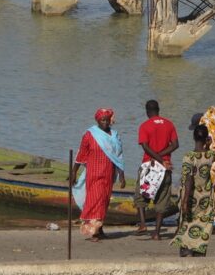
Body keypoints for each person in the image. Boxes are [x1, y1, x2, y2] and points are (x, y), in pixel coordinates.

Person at [71, 108, 125, 242]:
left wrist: (121, 176)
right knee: (96, 201)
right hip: (94, 174)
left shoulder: (115, 135)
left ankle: (99, 230)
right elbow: (81, 154)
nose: (105, 123)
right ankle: (94, 233)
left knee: (103, 201)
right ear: (97, 121)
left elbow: (118, 157)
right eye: (102, 120)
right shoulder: (90, 134)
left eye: (107, 120)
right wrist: (74, 172)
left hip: (108, 174)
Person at [135, 99, 178, 240]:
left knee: (141, 194)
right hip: (165, 167)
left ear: (147, 111)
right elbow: (175, 144)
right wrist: (162, 158)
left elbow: (145, 147)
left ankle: (143, 223)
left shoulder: (144, 126)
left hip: (149, 166)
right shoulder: (169, 124)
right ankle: (157, 233)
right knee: (162, 198)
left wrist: (156, 158)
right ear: (158, 110)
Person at [170, 123, 215, 257]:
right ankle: (199, 249)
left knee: (187, 223)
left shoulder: (188, 157)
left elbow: (189, 180)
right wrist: (208, 144)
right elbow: (209, 151)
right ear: (206, 138)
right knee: (203, 223)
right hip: (206, 198)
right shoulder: (210, 155)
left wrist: (184, 201)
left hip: (191, 197)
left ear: (193, 137)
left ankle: (186, 249)